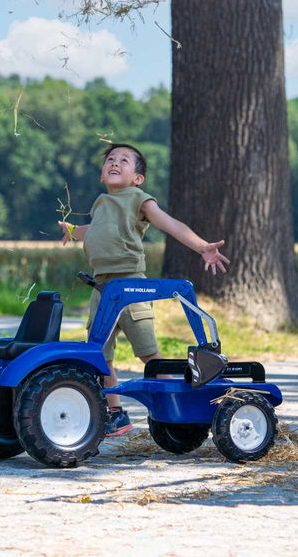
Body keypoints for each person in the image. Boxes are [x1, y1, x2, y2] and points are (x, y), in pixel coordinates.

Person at [59, 143, 230, 436]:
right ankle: (114, 413)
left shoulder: (139, 199)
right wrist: (74, 231)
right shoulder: (101, 203)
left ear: (138, 178)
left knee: (148, 353)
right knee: (99, 354)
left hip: (131, 286)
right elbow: (96, 229)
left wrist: (202, 247)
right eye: (110, 160)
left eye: (124, 160)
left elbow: (170, 224)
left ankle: (169, 408)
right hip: (101, 288)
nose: (114, 163)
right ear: (102, 174)